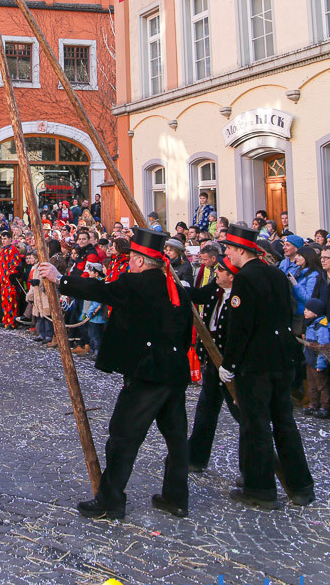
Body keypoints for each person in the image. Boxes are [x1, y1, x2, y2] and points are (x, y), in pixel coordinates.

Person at [39, 227, 193, 520]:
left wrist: (60, 280)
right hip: (173, 373)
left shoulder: (136, 283)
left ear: (138, 261)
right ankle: (176, 498)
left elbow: (102, 290)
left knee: (123, 436)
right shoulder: (173, 287)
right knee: (175, 438)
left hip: (148, 375)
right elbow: (185, 335)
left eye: (132, 257)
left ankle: (111, 500)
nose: (129, 262)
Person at [220, 223, 315, 510]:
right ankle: (301, 486)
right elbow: (287, 312)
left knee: (256, 425)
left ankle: (260, 488)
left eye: (229, 248)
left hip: (257, 363)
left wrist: (230, 363)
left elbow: (241, 326)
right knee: (285, 422)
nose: (227, 253)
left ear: (240, 250)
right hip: (282, 358)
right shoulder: (275, 274)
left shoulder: (245, 278)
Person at [187, 256, 243, 472]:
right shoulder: (215, 289)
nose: (216, 272)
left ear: (231, 276)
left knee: (242, 415)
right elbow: (199, 296)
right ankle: (195, 458)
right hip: (213, 362)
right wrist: (178, 286)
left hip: (229, 364)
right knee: (205, 411)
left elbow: (238, 335)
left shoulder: (237, 299)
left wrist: (229, 365)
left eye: (221, 270)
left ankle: (253, 469)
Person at [301, 297, 329, 418]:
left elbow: (323, 347)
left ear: (316, 313)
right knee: (312, 385)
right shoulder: (310, 324)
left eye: (308, 309)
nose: (304, 311)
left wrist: (321, 364)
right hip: (310, 360)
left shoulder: (321, 326)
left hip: (317, 362)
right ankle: (314, 403)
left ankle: (325, 406)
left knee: (322, 385)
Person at [0, 229, 23, 329]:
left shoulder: (13, 249)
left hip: (10, 281)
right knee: (4, 301)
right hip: (3, 280)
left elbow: (16, 264)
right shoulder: (3, 250)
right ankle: (5, 320)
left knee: (12, 302)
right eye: (2, 239)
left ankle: (12, 322)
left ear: (10, 239)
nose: (3, 241)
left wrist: (12, 276)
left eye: (5, 239)